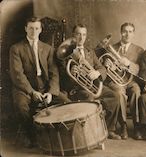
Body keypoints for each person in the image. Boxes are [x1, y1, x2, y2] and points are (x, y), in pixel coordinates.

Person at [9, 17, 71, 147]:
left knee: (66, 103)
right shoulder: (16, 48)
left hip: (45, 88)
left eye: (36, 28)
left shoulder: (48, 49)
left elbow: (54, 74)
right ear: (26, 29)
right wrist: (32, 92)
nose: (33, 31)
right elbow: (18, 75)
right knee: (21, 107)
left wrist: (51, 92)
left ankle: (63, 136)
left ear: (41, 30)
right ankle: (31, 136)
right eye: (31, 28)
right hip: (24, 88)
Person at [57, 24, 122, 140]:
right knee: (89, 97)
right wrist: (70, 72)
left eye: (84, 34)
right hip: (77, 88)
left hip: (94, 85)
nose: (81, 37)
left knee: (115, 96)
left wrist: (97, 73)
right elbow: (61, 78)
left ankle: (109, 129)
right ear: (73, 35)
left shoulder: (90, 52)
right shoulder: (65, 54)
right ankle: (90, 133)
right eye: (78, 34)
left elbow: (102, 68)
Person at [105, 22, 144, 139]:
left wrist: (128, 64)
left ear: (134, 34)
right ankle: (123, 126)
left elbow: (140, 69)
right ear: (121, 33)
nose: (127, 34)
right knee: (119, 93)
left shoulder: (139, 50)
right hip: (116, 81)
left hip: (130, 81)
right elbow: (105, 66)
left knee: (136, 91)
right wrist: (108, 66)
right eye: (125, 31)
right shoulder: (111, 48)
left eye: (130, 31)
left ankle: (137, 126)